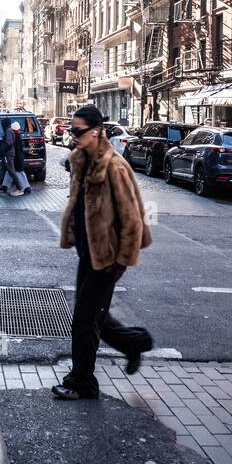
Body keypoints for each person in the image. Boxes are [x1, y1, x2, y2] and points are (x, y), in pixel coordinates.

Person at [54, 105, 154, 400]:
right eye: (71, 130)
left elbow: (132, 218)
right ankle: (134, 342)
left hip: (108, 257)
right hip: (88, 253)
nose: (73, 135)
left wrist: (122, 261)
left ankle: (80, 382)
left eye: (78, 131)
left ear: (96, 131)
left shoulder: (114, 166)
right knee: (93, 315)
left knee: (84, 320)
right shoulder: (81, 160)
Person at [0, 120, 25, 197]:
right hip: (7, 155)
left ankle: (20, 188)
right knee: (2, 171)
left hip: (7, 155)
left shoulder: (9, 131)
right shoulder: (10, 130)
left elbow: (9, 143)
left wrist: (2, 150)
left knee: (11, 172)